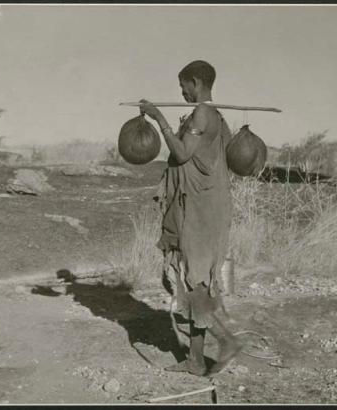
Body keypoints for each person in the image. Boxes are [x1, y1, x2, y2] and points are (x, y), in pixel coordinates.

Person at [139, 60, 241, 377]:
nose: (181, 91)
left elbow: (182, 154)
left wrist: (158, 119)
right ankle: (196, 359)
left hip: (201, 209)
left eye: (183, 85)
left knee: (197, 277)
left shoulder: (203, 113)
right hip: (205, 205)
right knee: (196, 279)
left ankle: (225, 342)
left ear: (195, 82)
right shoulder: (215, 115)